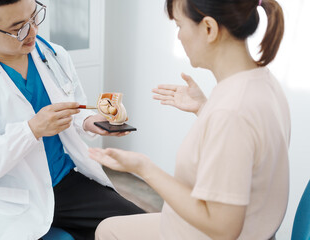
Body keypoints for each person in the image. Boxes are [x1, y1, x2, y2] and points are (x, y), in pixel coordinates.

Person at [89, 0, 290, 239]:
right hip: (256, 229)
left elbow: (223, 227)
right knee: (108, 228)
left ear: (209, 29)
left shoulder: (230, 112)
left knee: (108, 232)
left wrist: (145, 168)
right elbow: (247, 148)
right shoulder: (261, 82)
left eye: (180, 25)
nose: (179, 37)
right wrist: (204, 109)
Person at [0, 0, 145, 239]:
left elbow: (73, 106)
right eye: (18, 27)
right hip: (6, 197)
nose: (33, 31)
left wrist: (88, 121)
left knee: (144, 228)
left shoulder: (54, 55)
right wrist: (31, 130)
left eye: (34, 16)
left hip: (64, 182)